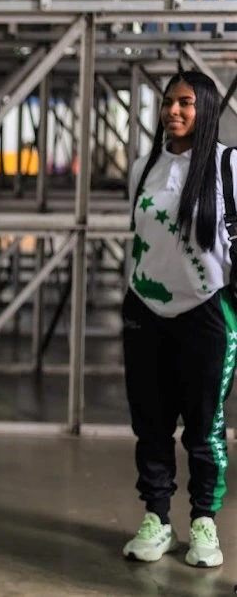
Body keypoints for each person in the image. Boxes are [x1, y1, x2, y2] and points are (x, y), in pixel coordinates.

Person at [121, 70, 237, 569]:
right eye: (169, 102)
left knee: (204, 429)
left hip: (206, 312)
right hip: (145, 311)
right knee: (151, 425)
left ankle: (204, 522)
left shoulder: (229, 166)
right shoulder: (142, 168)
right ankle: (157, 519)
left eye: (186, 102)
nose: (174, 111)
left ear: (205, 108)